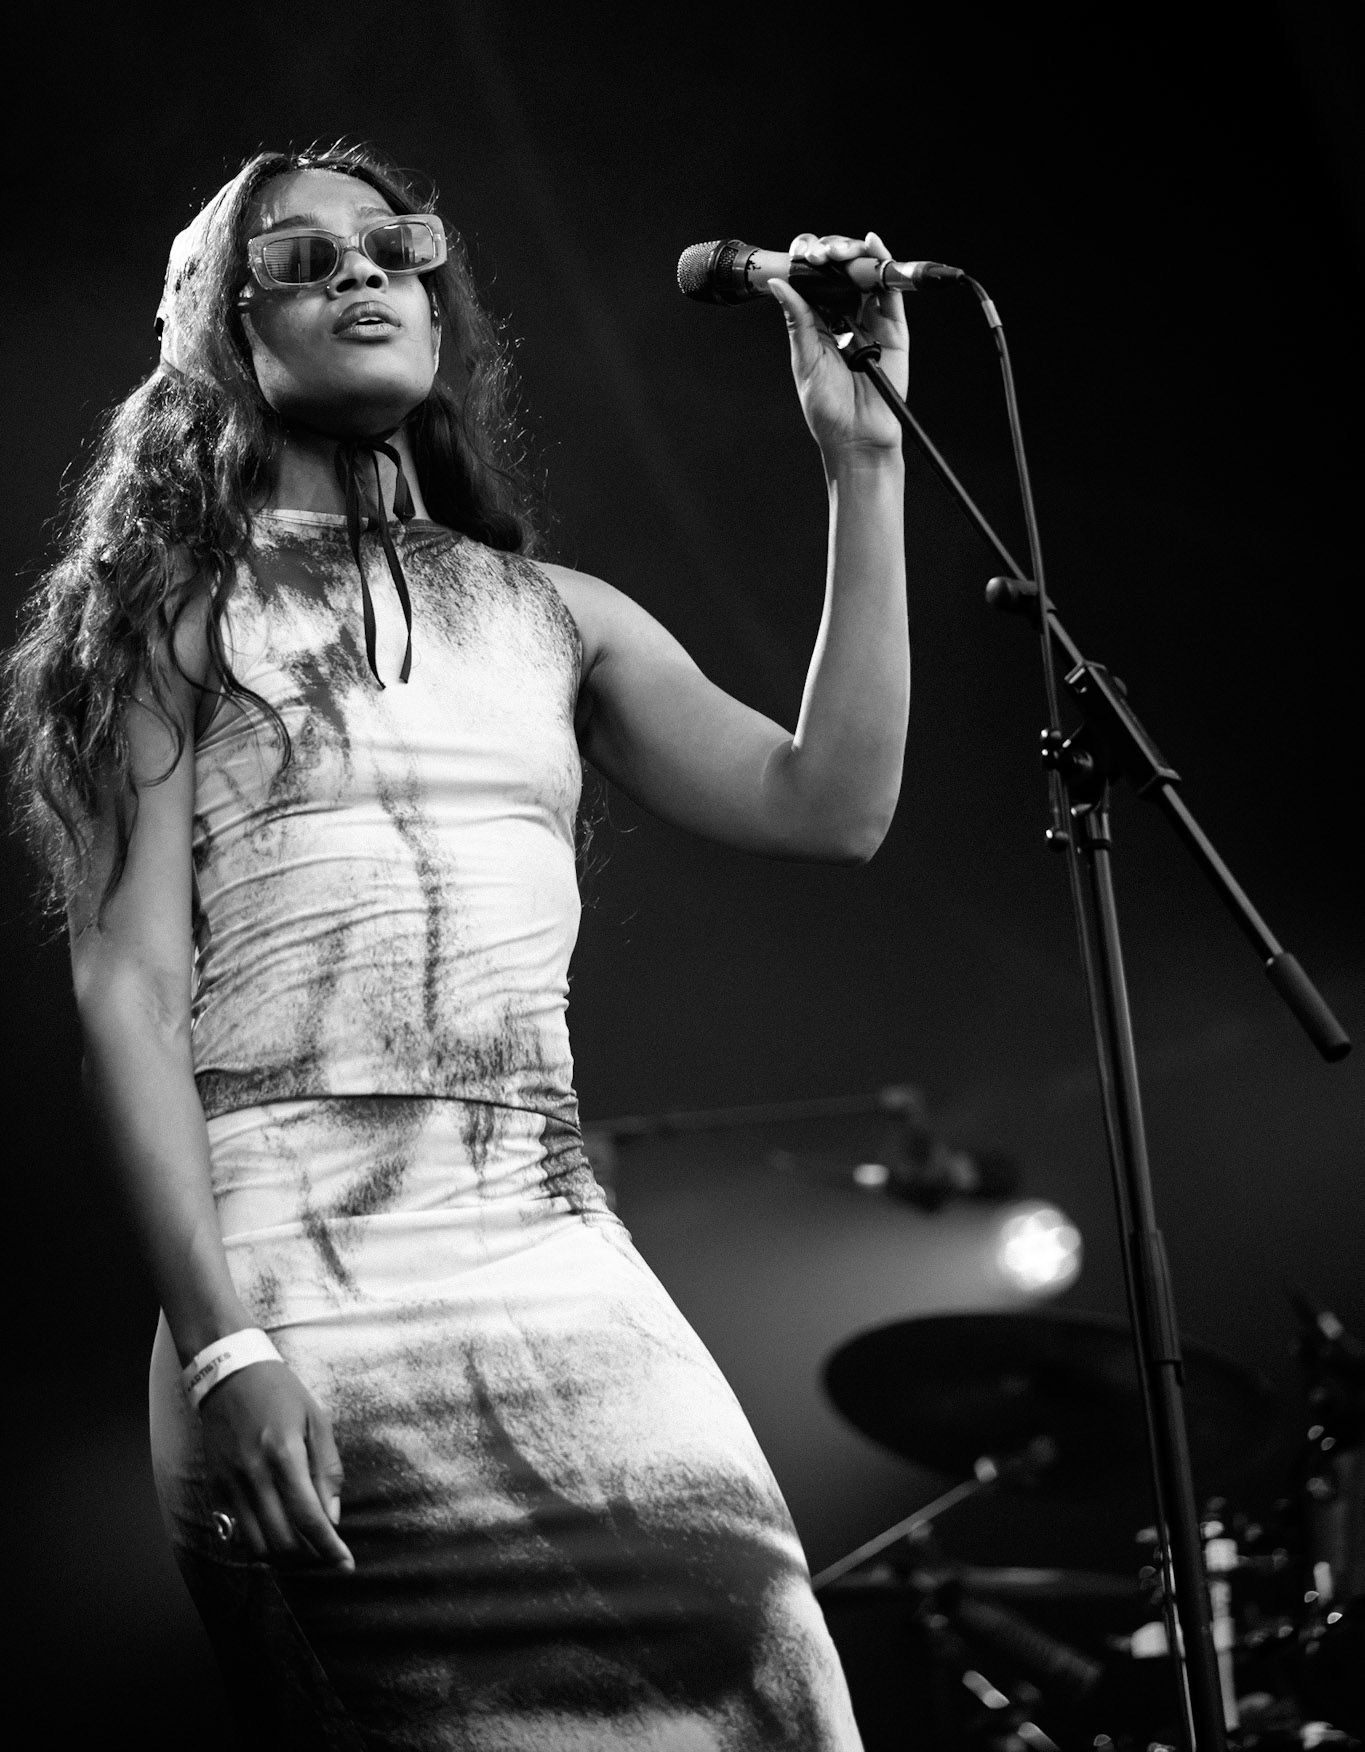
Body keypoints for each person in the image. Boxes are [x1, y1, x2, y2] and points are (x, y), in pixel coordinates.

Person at [4, 140, 909, 1750]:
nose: (360, 272)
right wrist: (225, 1349)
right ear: (214, 331)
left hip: (546, 1240)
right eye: (297, 257)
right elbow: (128, 1000)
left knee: (774, 1689)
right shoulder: (162, 620)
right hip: (292, 1269)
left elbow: (829, 803)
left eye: (390, 246)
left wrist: (864, 466)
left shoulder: (560, 613)